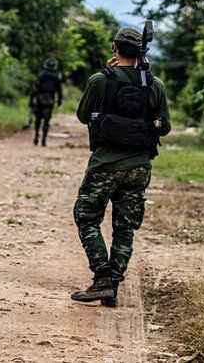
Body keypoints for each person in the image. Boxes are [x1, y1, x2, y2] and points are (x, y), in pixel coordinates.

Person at [71, 27, 170, 308]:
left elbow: (82, 116)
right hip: (139, 167)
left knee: (87, 216)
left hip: (105, 165)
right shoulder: (155, 84)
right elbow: (165, 127)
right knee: (125, 227)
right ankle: (113, 282)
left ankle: (102, 277)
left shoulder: (100, 80)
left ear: (115, 49)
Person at [29, 57, 64, 146]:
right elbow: (59, 91)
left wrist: (31, 100)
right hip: (50, 100)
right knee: (46, 121)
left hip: (40, 99)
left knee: (37, 119)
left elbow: (35, 89)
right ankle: (44, 139)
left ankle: (36, 135)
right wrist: (59, 100)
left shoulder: (41, 75)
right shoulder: (56, 77)